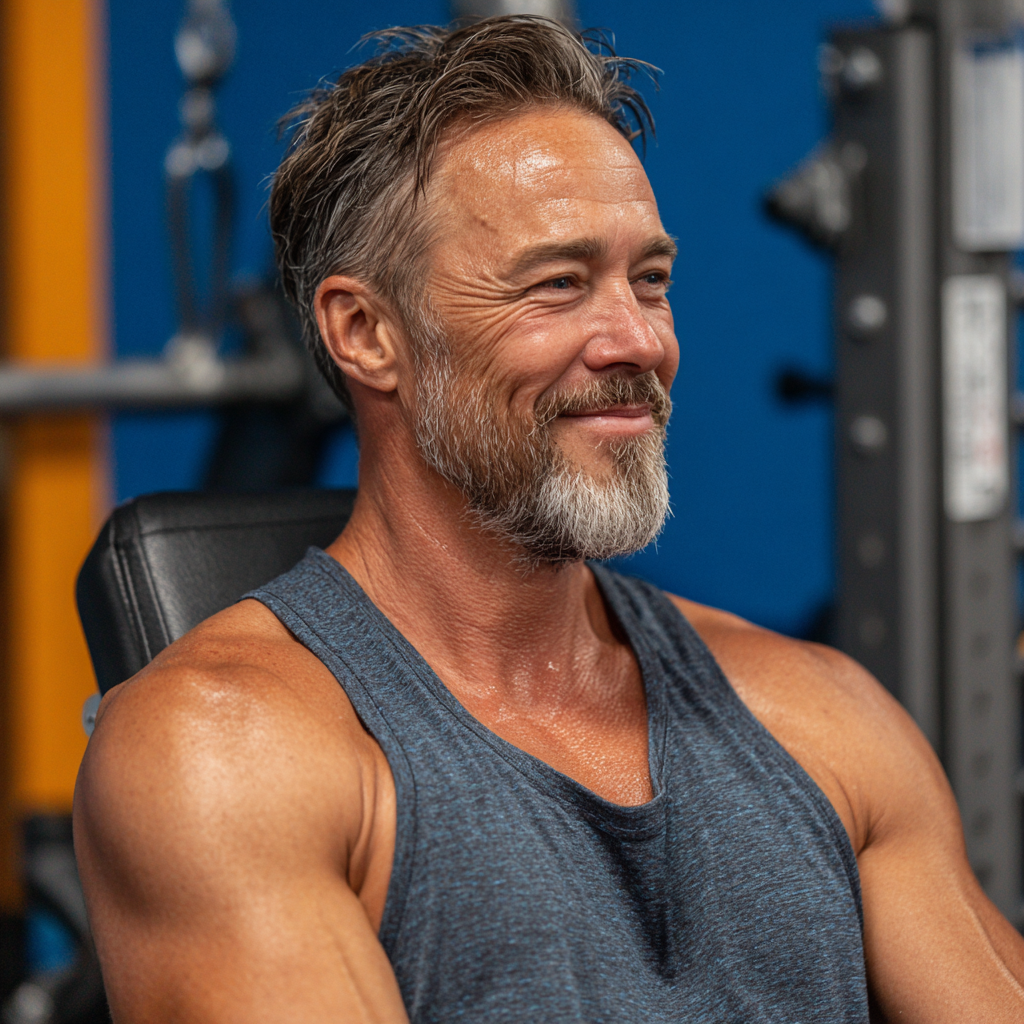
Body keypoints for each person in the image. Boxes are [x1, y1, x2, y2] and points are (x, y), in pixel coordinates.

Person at [74, 16, 1024, 1023]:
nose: (636, 340)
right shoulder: (227, 754)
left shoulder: (823, 717)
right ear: (366, 333)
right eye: (558, 284)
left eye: (648, 281)